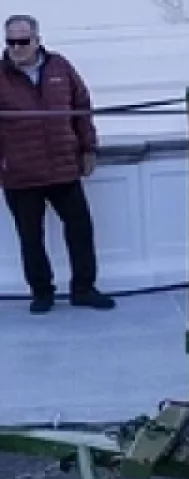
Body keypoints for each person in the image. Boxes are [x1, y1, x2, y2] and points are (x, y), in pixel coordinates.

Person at [0, 14, 114, 314]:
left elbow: (81, 106)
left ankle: (84, 289)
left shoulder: (60, 66)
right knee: (30, 238)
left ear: (37, 40)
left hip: (64, 167)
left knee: (80, 229)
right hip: (21, 173)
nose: (16, 47)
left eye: (23, 41)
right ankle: (41, 293)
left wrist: (88, 148)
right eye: (10, 42)